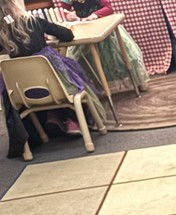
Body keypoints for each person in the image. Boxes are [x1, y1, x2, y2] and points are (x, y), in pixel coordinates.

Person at [0, 0, 102, 135]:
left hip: (25, 94)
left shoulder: (2, 34)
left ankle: (51, 117)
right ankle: (72, 119)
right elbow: (67, 35)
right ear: (16, 7)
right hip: (56, 89)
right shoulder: (35, 22)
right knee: (71, 81)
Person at [57, 0, 149, 93]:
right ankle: (92, 89)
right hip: (85, 31)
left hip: (105, 28)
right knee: (79, 60)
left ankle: (138, 80)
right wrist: (67, 15)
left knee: (128, 56)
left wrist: (95, 15)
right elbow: (61, 10)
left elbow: (109, 8)